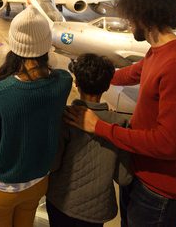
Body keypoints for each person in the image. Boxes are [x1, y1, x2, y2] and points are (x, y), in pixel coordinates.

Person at [65, 0, 176, 227]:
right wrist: (91, 77)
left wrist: (99, 127)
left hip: (159, 194)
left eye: (130, 18)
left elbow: (170, 145)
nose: (128, 24)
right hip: (140, 178)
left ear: (144, 19)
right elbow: (130, 74)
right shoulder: (158, 52)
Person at [0, 5, 73, 227]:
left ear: (14, 45)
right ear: (47, 46)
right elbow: (56, 70)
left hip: (3, 188)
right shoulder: (63, 82)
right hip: (38, 182)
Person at [46, 53, 133, 227]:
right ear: (108, 86)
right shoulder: (120, 125)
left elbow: (52, 165)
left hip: (61, 202)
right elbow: (124, 178)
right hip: (97, 211)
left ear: (76, 83)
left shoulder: (65, 117)